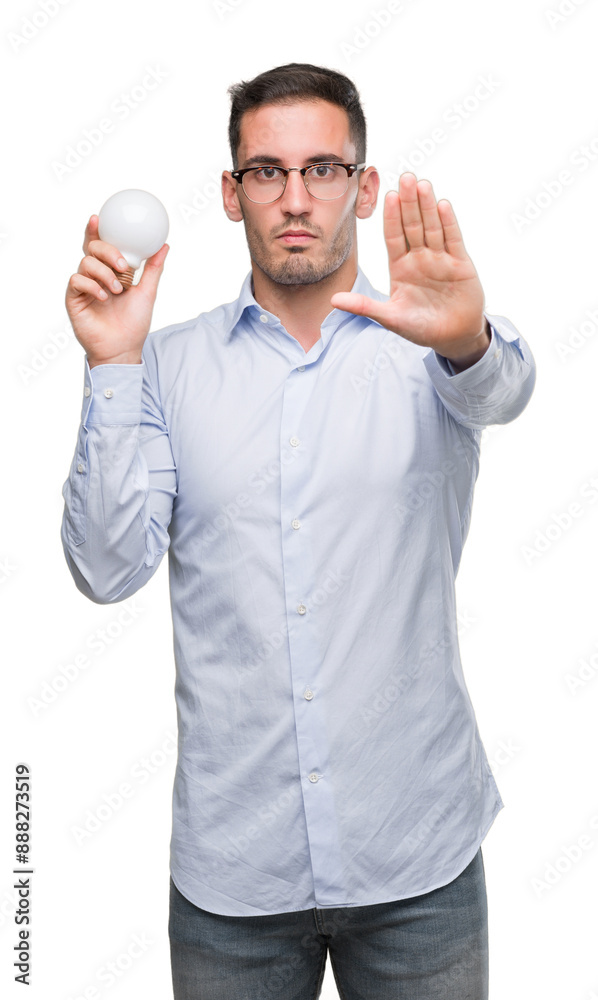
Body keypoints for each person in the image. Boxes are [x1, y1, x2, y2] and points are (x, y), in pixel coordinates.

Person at [61, 62, 536, 1000]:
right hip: (235, 874)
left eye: (321, 170)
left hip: (419, 859)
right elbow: (107, 569)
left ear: (362, 187)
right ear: (231, 197)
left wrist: (462, 339)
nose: (294, 198)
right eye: (265, 172)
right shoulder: (167, 365)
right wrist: (113, 366)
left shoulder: (431, 342)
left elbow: (504, 390)